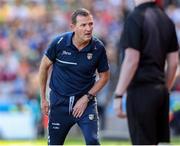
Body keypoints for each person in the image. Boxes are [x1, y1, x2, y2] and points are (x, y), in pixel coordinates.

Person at [39, 8, 109, 145]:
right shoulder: (59, 43)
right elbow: (43, 67)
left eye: (91, 24)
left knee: (93, 141)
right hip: (59, 103)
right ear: (73, 27)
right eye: (83, 25)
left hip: (85, 104)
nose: (88, 28)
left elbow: (104, 77)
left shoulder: (98, 48)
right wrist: (43, 98)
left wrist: (86, 98)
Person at [114, 0, 179, 145]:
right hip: (160, 91)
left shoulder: (135, 17)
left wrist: (118, 94)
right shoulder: (166, 19)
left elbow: (131, 59)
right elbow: (174, 63)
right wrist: (164, 89)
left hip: (141, 91)